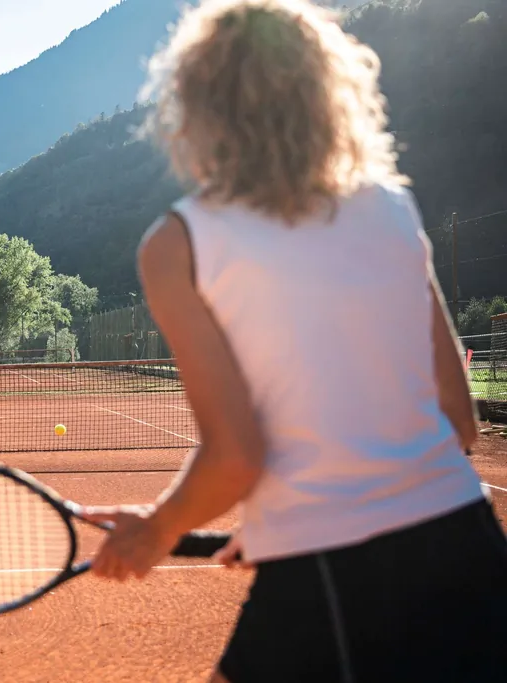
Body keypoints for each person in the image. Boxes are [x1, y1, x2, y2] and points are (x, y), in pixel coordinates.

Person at [82, 1, 507, 681]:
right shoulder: (392, 205)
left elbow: (236, 457)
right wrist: (286, 519)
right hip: (471, 549)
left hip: (337, 584)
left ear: (199, 104)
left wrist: (155, 531)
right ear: (328, 91)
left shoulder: (178, 242)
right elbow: (460, 420)